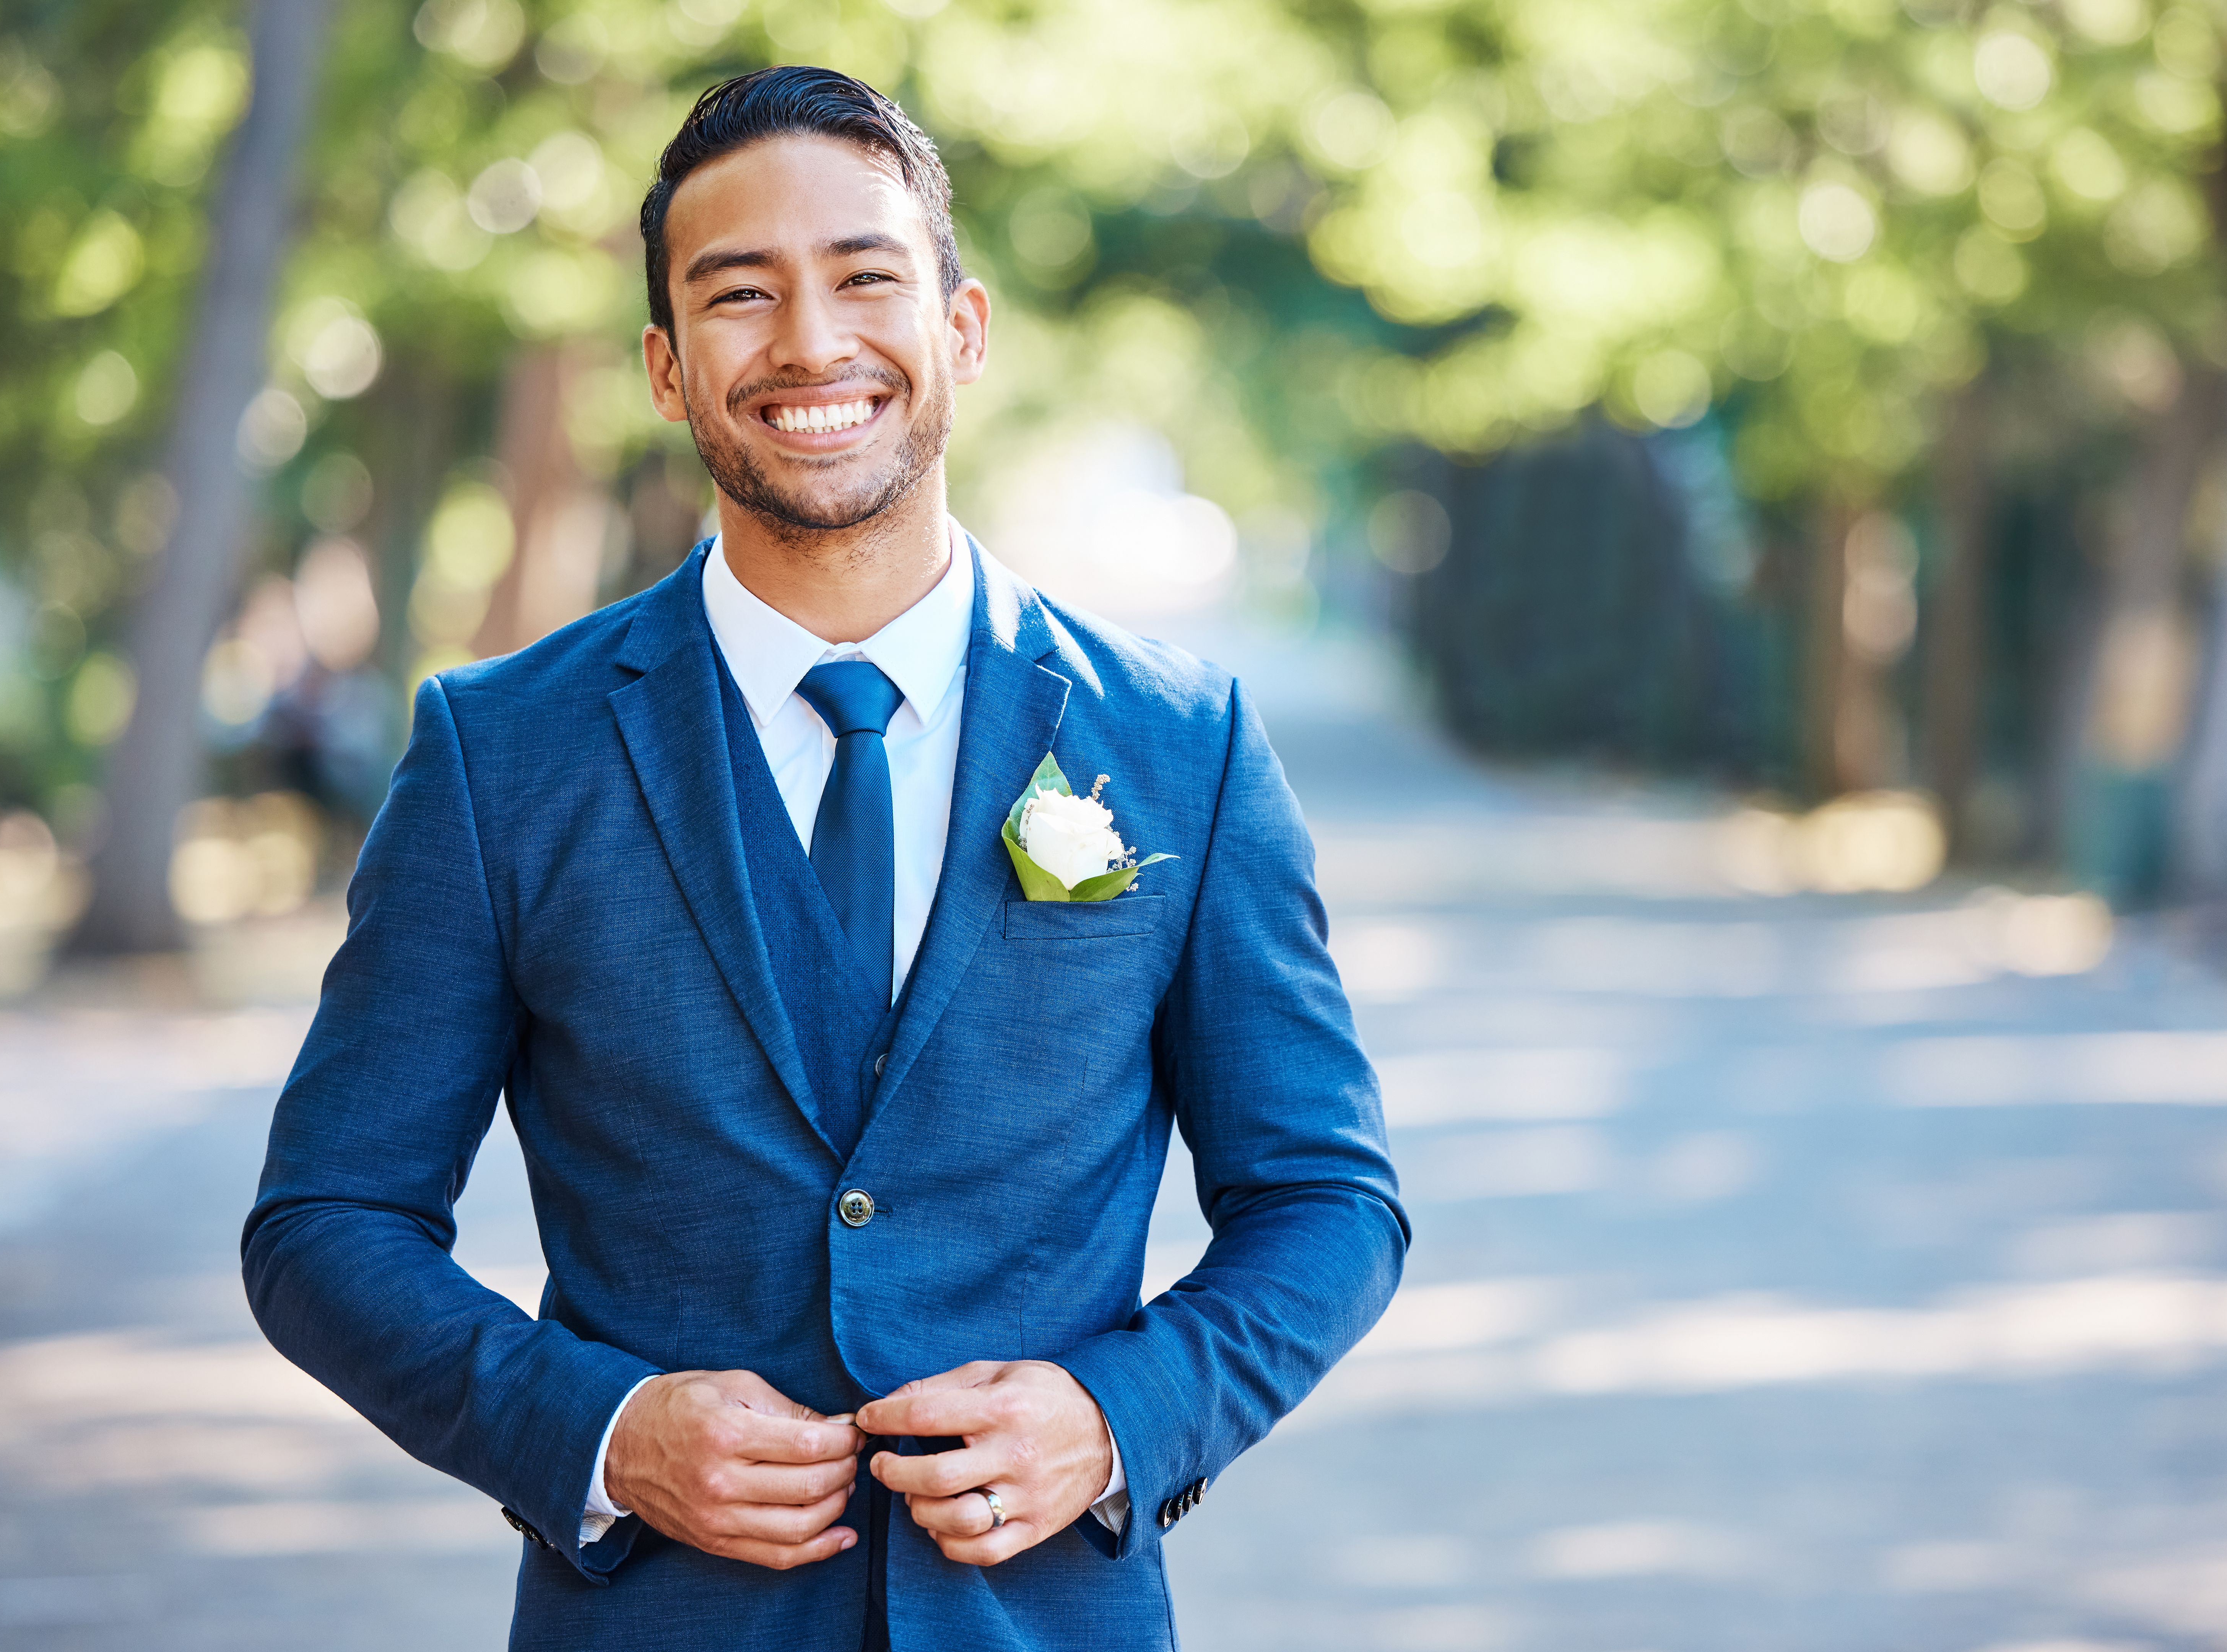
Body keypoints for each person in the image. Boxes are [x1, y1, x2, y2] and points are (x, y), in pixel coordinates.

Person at [242, 65, 1406, 1651]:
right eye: (738, 295)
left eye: (865, 277)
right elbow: (324, 1224)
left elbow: (1326, 1198)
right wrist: (596, 1433)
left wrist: (1118, 1416)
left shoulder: (1180, 745)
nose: (808, 344)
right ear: (664, 366)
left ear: (963, 329)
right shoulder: (499, 754)